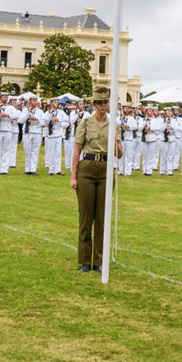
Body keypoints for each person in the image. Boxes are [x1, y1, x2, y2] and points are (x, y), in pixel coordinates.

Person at [71, 86, 122, 273]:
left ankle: (99, 261)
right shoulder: (85, 124)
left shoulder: (114, 125)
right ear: (93, 103)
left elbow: (119, 154)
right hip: (87, 169)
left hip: (106, 170)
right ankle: (85, 260)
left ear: (109, 104)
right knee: (86, 218)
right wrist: (73, 176)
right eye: (99, 102)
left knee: (102, 218)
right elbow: (76, 151)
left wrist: (117, 142)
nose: (102, 106)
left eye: (105, 102)